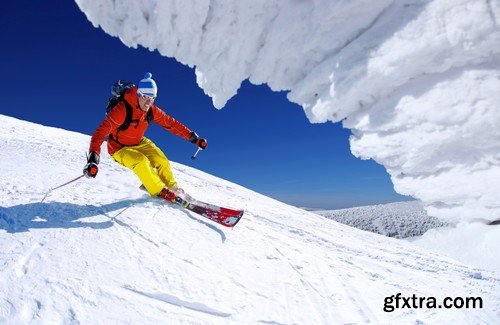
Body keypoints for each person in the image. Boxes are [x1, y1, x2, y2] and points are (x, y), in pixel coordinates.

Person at [83, 72, 207, 201]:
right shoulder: (122, 110)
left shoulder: (151, 110)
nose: (148, 102)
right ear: (138, 94)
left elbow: (171, 124)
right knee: (141, 161)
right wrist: (92, 159)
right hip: (119, 148)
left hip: (139, 142)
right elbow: (100, 133)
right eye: (145, 97)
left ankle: (173, 188)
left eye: (152, 97)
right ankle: (159, 191)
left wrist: (194, 138)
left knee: (161, 160)